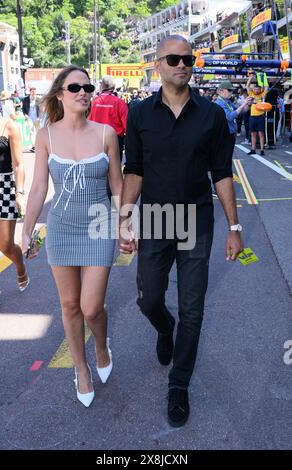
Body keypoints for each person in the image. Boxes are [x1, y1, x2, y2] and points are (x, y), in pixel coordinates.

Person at [120, 35, 243, 428]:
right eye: (173, 58)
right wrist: (125, 217)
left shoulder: (211, 115)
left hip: (196, 218)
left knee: (193, 307)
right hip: (155, 218)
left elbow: (222, 173)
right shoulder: (139, 114)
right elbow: (133, 170)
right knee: (149, 298)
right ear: (157, 64)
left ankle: (179, 385)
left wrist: (234, 227)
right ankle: (163, 326)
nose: (181, 64)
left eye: (187, 58)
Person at [22, 65, 123, 407]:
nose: (83, 91)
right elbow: (38, 188)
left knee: (91, 307)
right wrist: (27, 228)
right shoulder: (45, 135)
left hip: (98, 227)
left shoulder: (106, 133)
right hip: (61, 229)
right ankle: (80, 368)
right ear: (60, 94)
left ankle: (100, 344)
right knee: (69, 304)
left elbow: (117, 186)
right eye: (75, 86)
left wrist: (126, 224)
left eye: (87, 86)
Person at [0, 88, 28, 313]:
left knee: (4, 244)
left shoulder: (9, 126)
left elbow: (18, 164)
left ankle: (20, 265)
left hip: (3, 187)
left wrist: (20, 193)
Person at [88, 75, 128, 162]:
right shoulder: (120, 102)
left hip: (96, 139)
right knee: (115, 170)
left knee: (97, 168)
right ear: (113, 87)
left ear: (102, 86)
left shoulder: (95, 101)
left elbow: (88, 121)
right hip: (115, 140)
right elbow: (127, 126)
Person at [215, 80, 252, 155]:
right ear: (221, 91)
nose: (231, 92)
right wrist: (243, 104)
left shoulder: (227, 101)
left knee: (228, 157)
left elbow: (243, 111)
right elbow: (230, 117)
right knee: (225, 157)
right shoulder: (219, 103)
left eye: (231, 90)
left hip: (230, 133)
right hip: (225, 134)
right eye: (229, 90)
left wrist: (248, 104)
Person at [246, 74, 268, 156]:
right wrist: (251, 78)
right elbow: (247, 86)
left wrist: (264, 77)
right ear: (253, 89)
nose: (256, 91)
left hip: (260, 117)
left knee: (261, 134)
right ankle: (253, 149)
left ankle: (262, 150)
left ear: (260, 89)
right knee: (253, 134)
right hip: (252, 117)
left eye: (258, 89)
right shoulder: (251, 94)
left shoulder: (262, 95)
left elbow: (266, 87)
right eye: (255, 89)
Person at [22, 87, 40, 152]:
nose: (34, 93)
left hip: (37, 118)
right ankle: (33, 146)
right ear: (30, 92)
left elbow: (42, 109)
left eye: (35, 92)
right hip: (29, 118)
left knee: (38, 132)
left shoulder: (38, 99)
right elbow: (23, 109)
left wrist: (40, 117)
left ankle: (39, 145)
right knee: (31, 132)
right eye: (32, 92)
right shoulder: (25, 99)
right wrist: (25, 115)